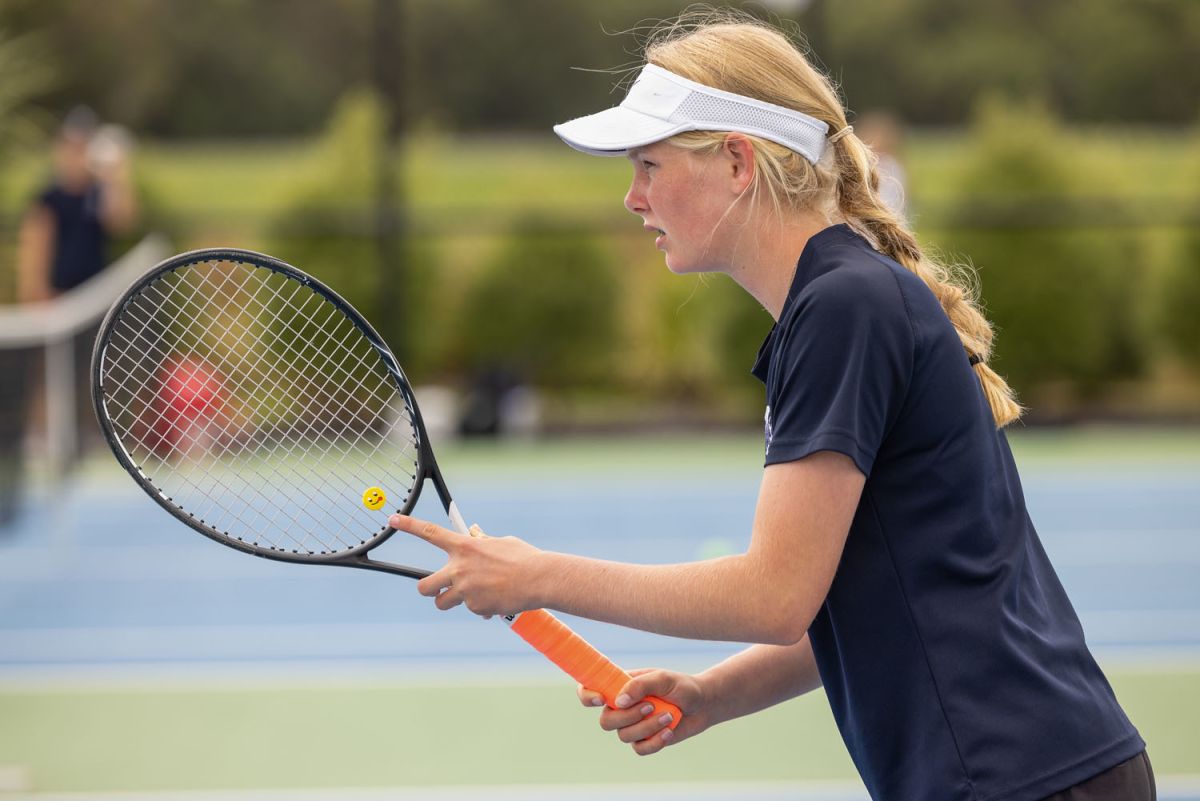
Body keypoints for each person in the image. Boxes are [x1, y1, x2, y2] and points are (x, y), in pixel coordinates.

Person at [390, 10, 1153, 801]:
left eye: (649, 164)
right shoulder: (844, 301)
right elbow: (871, 591)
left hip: (1019, 779)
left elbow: (775, 596)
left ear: (736, 162)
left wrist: (537, 575)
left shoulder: (843, 310)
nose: (632, 196)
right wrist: (715, 694)